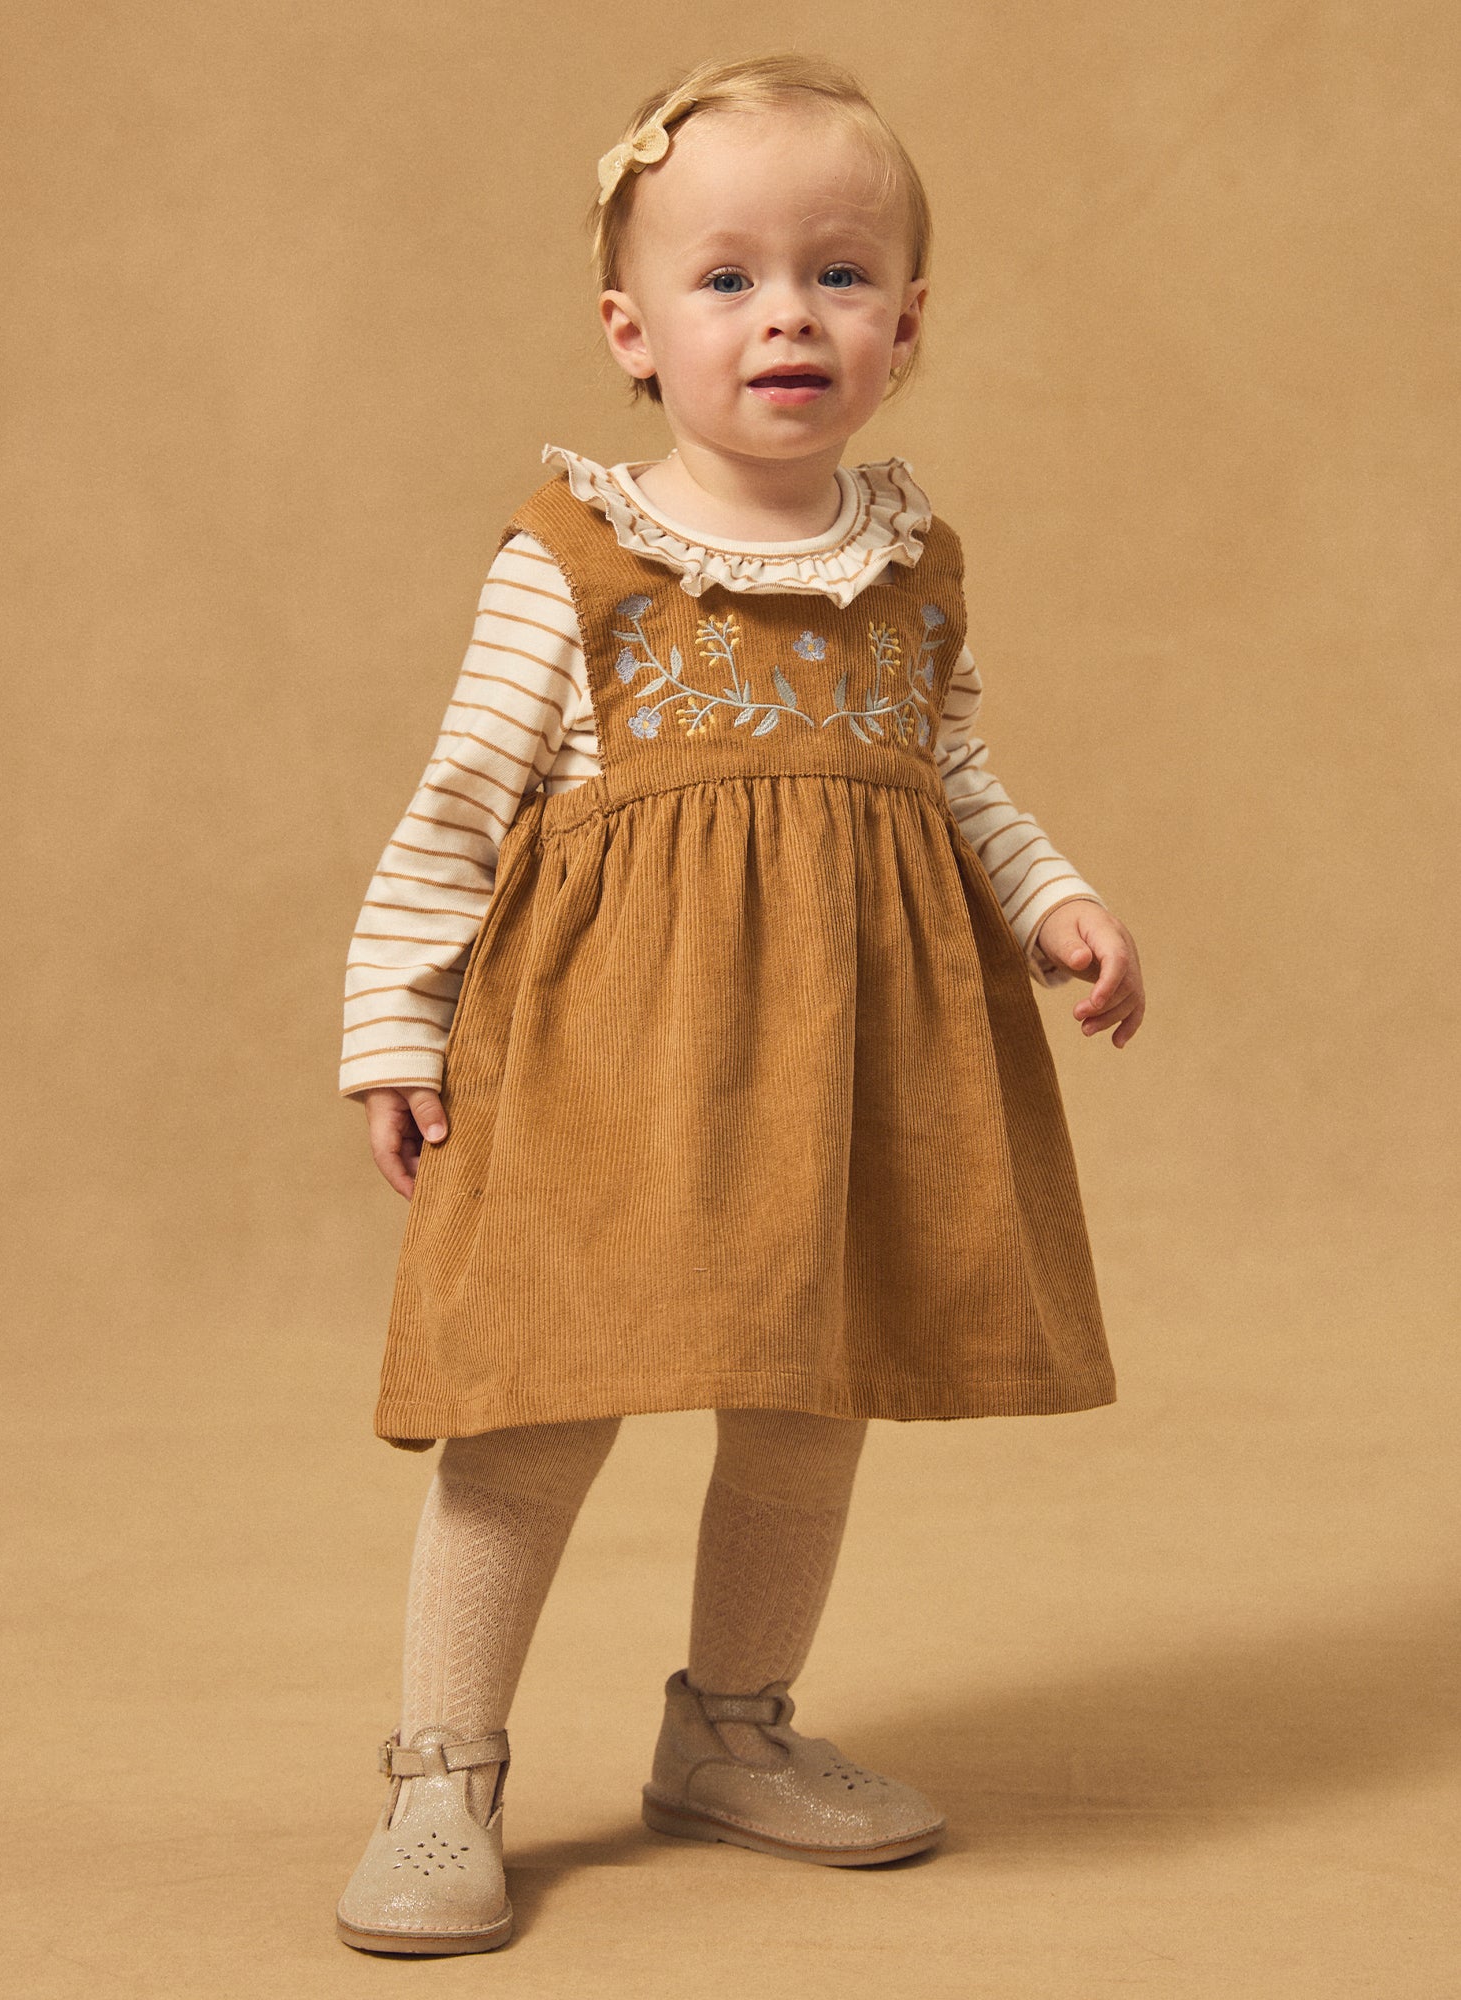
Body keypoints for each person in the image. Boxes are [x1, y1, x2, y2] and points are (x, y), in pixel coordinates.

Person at [332, 51, 1146, 1956]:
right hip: (606, 1072)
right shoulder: (577, 560)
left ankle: (733, 1731)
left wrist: (1058, 899)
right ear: (635, 328)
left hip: (840, 1078)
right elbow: (454, 807)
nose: (788, 311)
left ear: (907, 327)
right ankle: (444, 1770)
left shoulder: (913, 570)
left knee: (806, 1411)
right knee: (531, 1411)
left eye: (840, 274)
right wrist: (394, 1023)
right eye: (727, 278)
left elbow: (956, 782)